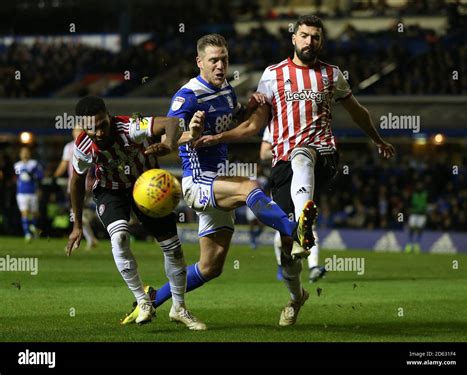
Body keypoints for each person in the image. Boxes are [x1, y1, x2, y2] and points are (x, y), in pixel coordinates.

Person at [195, 16, 395, 325]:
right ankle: (295, 296)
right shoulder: (272, 76)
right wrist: (220, 137)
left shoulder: (332, 75)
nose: (309, 42)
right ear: (294, 38)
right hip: (283, 165)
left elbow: (357, 111)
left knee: (303, 153)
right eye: (304, 35)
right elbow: (254, 125)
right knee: (282, 247)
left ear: (321, 41)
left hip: (324, 154)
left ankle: (303, 230)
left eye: (315, 37)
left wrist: (378, 140)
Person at [121, 33, 317, 327]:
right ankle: (296, 231)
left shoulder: (226, 88)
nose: (220, 65)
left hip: (217, 183)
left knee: (211, 267)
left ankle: (154, 300)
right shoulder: (188, 95)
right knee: (249, 187)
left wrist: (252, 106)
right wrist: (191, 135)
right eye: (214, 60)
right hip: (197, 183)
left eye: (224, 59)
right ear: (199, 62)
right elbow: (168, 134)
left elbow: (234, 117)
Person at [66, 95, 207, 330]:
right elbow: (76, 182)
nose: (99, 133)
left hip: (147, 186)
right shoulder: (83, 147)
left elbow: (172, 123)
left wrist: (169, 145)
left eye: (102, 124)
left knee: (172, 248)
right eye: (92, 128)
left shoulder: (131, 125)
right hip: (111, 191)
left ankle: (179, 308)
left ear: (108, 117)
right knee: (120, 236)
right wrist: (77, 225)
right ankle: (143, 301)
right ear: (83, 126)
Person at [260, 127, 326, 282]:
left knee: (308, 224)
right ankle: (282, 265)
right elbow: (263, 153)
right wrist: (288, 149)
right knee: (283, 229)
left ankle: (313, 267)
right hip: (283, 181)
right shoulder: (273, 125)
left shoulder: (309, 123)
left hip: (305, 179)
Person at [54, 128, 98, 249]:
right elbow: (64, 164)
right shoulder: (69, 147)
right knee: (76, 213)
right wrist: (54, 176)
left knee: (76, 213)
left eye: (79, 129)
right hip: (73, 185)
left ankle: (85, 237)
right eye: (75, 130)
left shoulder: (90, 143)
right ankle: (90, 238)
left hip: (86, 185)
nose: (77, 132)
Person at [14, 146, 44, 242]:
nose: (25, 154)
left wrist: (33, 175)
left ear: (29, 153)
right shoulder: (17, 165)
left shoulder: (34, 164)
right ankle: (27, 233)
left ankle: (34, 229)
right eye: (23, 152)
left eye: (26, 152)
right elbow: (17, 177)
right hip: (22, 193)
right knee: (25, 212)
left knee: (35, 213)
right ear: (20, 154)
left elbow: (40, 176)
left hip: (33, 192)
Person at [405, 181, 428, 254]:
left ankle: (417, 244)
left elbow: (428, 203)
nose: (419, 187)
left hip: (422, 214)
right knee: (411, 228)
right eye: (418, 185)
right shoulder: (413, 194)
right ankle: (409, 244)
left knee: (420, 229)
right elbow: (408, 203)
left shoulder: (425, 194)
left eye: (420, 185)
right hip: (414, 214)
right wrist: (409, 209)